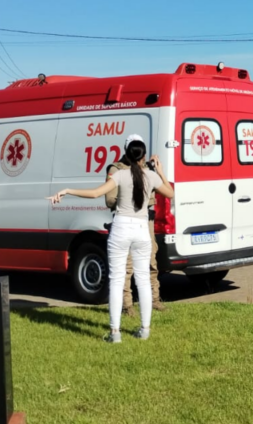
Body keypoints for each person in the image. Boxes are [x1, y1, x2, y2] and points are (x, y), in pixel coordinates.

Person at [50, 135, 173, 342]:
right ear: (144, 156)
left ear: (126, 154)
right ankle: (145, 329)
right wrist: (159, 170)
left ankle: (115, 333)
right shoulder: (151, 176)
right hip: (142, 229)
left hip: (121, 228)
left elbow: (95, 193)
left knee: (116, 280)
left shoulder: (120, 175)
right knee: (143, 280)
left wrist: (67, 190)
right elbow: (170, 193)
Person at [105, 152, 166, 317]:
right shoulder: (117, 170)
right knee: (127, 266)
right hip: (126, 221)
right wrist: (129, 198)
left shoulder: (147, 170)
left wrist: (158, 172)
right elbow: (109, 199)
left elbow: (166, 191)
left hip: (146, 221)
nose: (143, 158)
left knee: (152, 261)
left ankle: (154, 299)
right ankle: (127, 306)